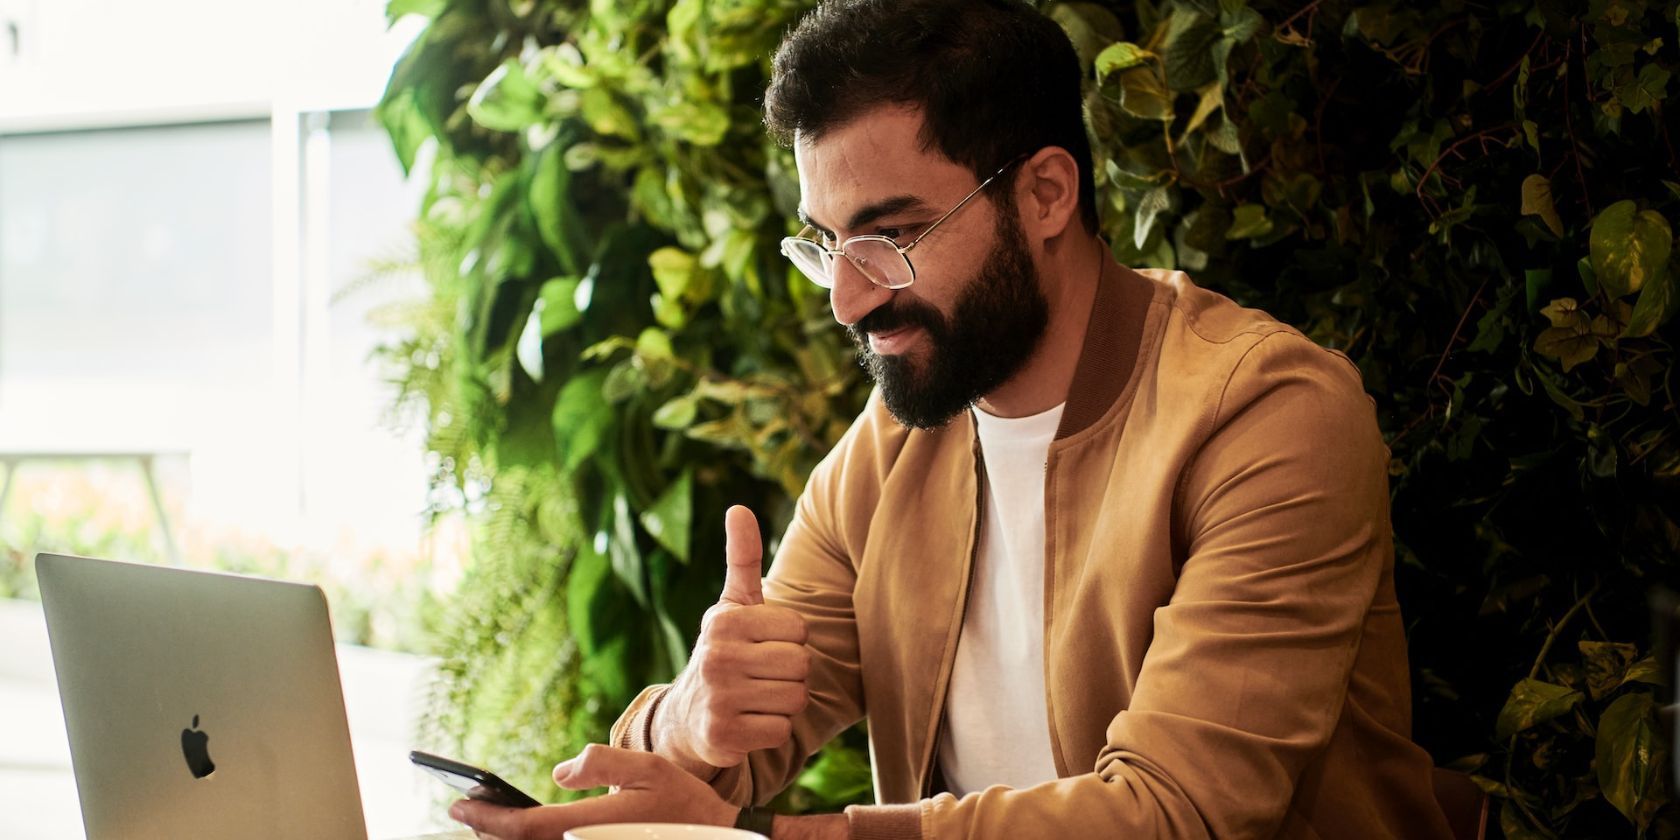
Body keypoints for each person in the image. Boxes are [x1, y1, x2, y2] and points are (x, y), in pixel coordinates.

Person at [449, 0, 1454, 837]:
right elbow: (713, 764)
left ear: (1046, 193)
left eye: (890, 236)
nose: (846, 299)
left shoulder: (1267, 418)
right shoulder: (887, 457)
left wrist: (782, 836)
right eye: (826, 244)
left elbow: (1175, 812)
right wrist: (696, 722)